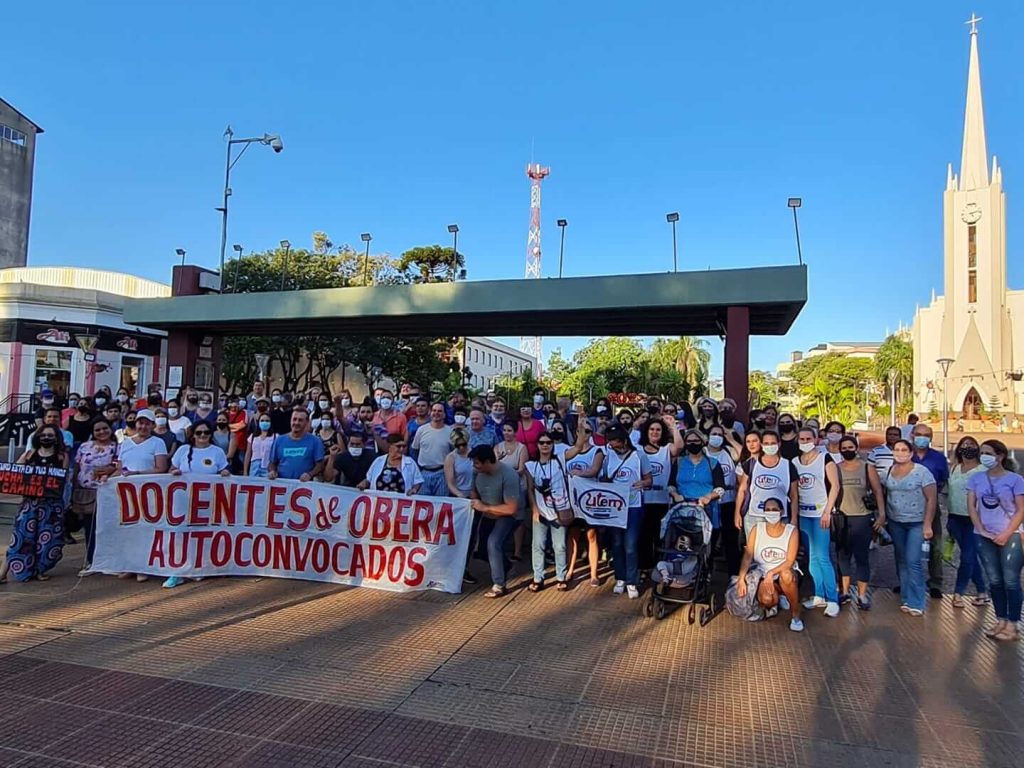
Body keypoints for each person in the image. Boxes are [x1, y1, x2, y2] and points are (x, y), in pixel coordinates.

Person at [967, 439, 1024, 641]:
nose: (984, 456)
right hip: (984, 535)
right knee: (995, 580)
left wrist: (1007, 533)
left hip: (1011, 534)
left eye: (988, 453)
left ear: (1000, 456)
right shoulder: (976, 478)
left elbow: (1021, 509)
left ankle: (1013, 624)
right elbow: (972, 506)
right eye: (982, 453)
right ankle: (1000, 619)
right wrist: (981, 529)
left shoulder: (1015, 480)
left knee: (1010, 580)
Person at [0, 425, 68, 583]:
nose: (46, 437)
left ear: (57, 438)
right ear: (37, 437)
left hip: (51, 505)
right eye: (43, 434)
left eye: (50, 435)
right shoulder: (29, 454)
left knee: (46, 540)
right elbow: (14, 473)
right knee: (20, 538)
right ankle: (3, 572)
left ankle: (39, 570)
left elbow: (63, 480)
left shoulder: (61, 457)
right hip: (29, 504)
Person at [733, 497, 803, 632]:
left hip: (783, 572)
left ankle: (795, 614)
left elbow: (789, 561)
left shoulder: (791, 531)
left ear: (782, 512)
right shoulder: (757, 529)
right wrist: (741, 579)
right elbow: (748, 556)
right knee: (767, 599)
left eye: (775, 509)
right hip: (763, 575)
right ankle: (778, 598)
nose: (771, 512)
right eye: (768, 510)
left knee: (786, 575)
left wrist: (772, 573)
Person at [884, 439, 937, 616]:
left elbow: (932, 499)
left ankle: (917, 601)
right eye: (896, 449)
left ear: (911, 453)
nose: (900, 452)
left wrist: (928, 524)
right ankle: (906, 598)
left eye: (904, 450)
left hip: (917, 522)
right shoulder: (890, 470)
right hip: (895, 521)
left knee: (913, 561)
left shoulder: (922, 472)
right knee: (901, 560)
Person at [793, 427, 841, 616]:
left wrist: (828, 511)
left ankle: (832, 599)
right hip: (804, 514)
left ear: (816, 439)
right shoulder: (795, 462)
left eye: (808, 438)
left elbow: (835, 486)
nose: (805, 441)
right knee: (811, 557)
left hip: (821, 513)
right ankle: (819, 594)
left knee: (823, 556)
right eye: (801, 439)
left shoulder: (825, 459)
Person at [834, 435, 885, 610]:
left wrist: (882, 514)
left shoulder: (867, 467)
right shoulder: (835, 468)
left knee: (862, 558)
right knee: (843, 557)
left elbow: (878, 491)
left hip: (863, 517)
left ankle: (862, 595)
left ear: (856, 448)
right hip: (842, 518)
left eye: (850, 447)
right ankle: (845, 592)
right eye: (844, 448)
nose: (847, 450)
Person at [602, 425, 653, 600]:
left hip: (634, 505)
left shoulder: (639, 454)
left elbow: (649, 479)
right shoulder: (609, 456)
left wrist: (643, 484)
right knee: (616, 544)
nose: (613, 447)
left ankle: (632, 580)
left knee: (630, 545)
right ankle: (620, 577)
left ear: (624, 441)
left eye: (615, 443)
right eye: (610, 443)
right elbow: (604, 477)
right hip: (615, 506)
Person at [469, 445, 521, 598]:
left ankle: (499, 584)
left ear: (487, 462)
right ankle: (505, 565)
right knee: (483, 549)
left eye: (477, 463)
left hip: (507, 516)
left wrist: (484, 507)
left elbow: (511, 508)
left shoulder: (509, 475)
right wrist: (477, 502)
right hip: (487, 513)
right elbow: (474, 492)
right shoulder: (476, 473)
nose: (474, 466)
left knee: (493, 542)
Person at [524, 431, 572, 591]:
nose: (545, 445)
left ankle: (561, 576)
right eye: (542, 442)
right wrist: (534, 510)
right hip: (541, 510)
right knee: (538, 545)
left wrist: (581, 424)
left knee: (560, 546)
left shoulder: (560, 461)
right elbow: (530, 489)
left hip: (559, 509)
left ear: (553, 445)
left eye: (548, 443)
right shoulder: (531, 465)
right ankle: (538, 578)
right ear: (537, 445)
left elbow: (578, 447)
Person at [946, 436, 989, 608]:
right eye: (964, 445)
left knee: (967, 557)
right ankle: (982, 591)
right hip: (955, 518)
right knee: (970, 558)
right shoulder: (954, 468)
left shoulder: (982, 470)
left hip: (974, 519)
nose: (967, 448)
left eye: (971, 445)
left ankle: (958, 593)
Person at [71, 418, 119, 576]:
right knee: (89, 529)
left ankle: (110, 561)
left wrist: (107, 471)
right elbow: (77, 467)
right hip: (86, 493)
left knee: (107, 528)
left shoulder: (117, 447)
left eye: (105, 428)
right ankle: (91, 560)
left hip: (108, 493)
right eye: (97, 430)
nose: (102, 432)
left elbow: (119, 466)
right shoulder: (84, 447)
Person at [639, 417, 683, 577]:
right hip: (642, 500)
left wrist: (673, 427)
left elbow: (679, 447)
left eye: (658, 429)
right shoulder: (638, 449)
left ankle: (659, 567)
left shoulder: (666, 449)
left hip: (662, 500)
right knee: (643, 535)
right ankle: (643, 567)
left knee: (660, 535)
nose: (655, 432)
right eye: (652, 429)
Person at [564, 420, 606, 586]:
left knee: (591, 536)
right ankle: (569, 570)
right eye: (581, 431)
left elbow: (594, 470)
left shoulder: (597, 451)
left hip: (589, 500)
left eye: (588, 431)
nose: (584, 434)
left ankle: (594, 574)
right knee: (572, 536)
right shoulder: (568, 452)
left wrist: (578, 473)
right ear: (576, 433)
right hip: (572, 501)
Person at [735, 431, 799, 538]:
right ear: (762, 445)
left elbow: (794, 495)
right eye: (766, 443)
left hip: (780, 516)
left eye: (773, 443)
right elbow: (742, 490)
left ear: (779, 444)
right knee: (753, 550)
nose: (769, 446)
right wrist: (737, 513)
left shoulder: (788, 465)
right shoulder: (750, 464)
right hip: (754, 516)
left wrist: (794, 518)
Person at [911, 423, 949, 599]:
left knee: (935, 545)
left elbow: (943, 480)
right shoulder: (905, 454)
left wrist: (931, 495)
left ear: (931, 438)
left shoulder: (938, 458)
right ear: (912, 435)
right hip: (907, 508)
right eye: (919, 434)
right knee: (907, 546)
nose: (922, 437)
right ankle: (908, 580)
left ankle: (935, 582)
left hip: (930, 507)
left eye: (926, 435)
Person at [707, 424, 741, 581]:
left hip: (729, 501)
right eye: (713, 434)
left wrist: (730, 438)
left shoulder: (728, 452)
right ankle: (705, 573)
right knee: (710, 540)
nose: (717, 437)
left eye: (720, 434)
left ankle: (733, 575)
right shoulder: (703, 452)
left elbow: (743, 454)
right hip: (710, 502)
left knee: (730, 540)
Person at [267, 409, 325, 481]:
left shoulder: (315, 441)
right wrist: (272, 471)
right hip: (282, 485)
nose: (296, 422)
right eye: (294, 419)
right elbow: (272, 463)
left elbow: (320, 464)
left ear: (306, 422)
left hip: (305, 486)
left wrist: (310, 474)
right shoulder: (279, 440)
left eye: (300, 420)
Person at [411, 402, 453, 496]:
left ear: (444, 414)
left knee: (441, 504)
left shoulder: (450, 432)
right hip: (423, 473)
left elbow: (453, 453)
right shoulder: (421, 430)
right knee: (423, 504)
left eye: (440, 411)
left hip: (442, 473)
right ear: (430, 412)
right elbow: (414, 450)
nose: (436, 413)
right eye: (434, 410)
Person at [370, 388, 408, 453]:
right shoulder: (373, 416)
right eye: (383, 397)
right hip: (376, 451)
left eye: (388, 398)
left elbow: (405, 436)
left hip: (395, 451)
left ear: (393, 401)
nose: (385, 399)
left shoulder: (401, 417)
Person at [444, 428, 474, 498]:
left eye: (464, 444)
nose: (461, 447)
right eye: (457, 445)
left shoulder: (474, 453)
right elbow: (450, 483)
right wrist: (460, 495)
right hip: (459, 494)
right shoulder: (450, 458)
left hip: (474, 493)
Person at [244, 412, 275, 478]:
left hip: (267, 466)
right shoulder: (252, 437)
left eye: (267, 421)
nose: (264, 422)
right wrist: (245, 471)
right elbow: (248, 453)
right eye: (262, 420)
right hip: (254, 467)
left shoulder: (275, 437)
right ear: (258, 422)